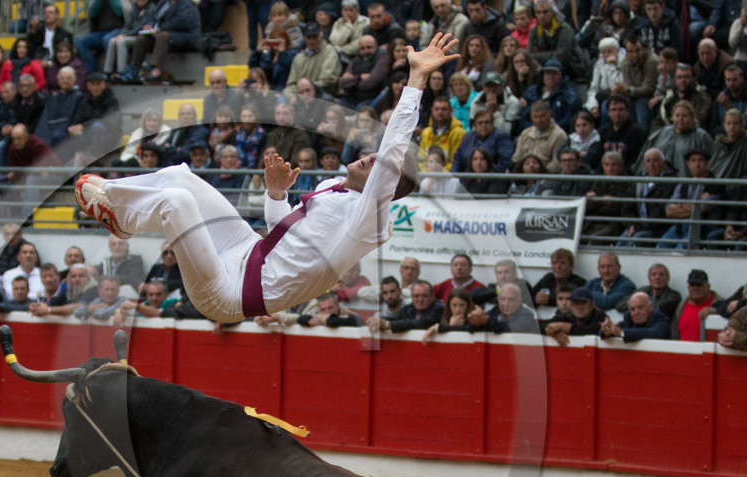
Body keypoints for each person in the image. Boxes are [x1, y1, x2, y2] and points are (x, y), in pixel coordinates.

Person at [72, 31, 460, 324]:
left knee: (177, 203)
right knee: (181, 177)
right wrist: (276, 195)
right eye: (372, 154)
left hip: (229, 294)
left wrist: (416, 81)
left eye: (378, 165)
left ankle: (123, 214)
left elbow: (393, 150)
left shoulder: (369, 220)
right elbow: (283, 237)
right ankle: (122, 217)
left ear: (388, 187)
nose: (368, 159)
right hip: (247, 250)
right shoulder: (332, 187)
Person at [367, 279, 442, 332]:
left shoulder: (439, 308)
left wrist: (387, 324)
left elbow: (422, 323)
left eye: (424, 296)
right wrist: (378, 321)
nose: (420, 300)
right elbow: (394, 319)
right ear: (411, 297)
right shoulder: (409, 308)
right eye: (416, 296)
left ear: (432, 296)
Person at [544, 286, 608, 345]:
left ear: (592, 305)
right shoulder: (568, 316)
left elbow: (590, 330)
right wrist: (556, 332)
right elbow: (540, 325)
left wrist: (562, 326)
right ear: (571, 306)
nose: (580, 306)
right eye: (576, 303)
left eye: (584, 302)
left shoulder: (600, 316)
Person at [599, 291, 672, 341]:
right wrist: (606, 330)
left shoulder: (661, 319)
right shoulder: (629, 319)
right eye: (632, 309)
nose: (636, 312)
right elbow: (616, 329)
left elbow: (653, 333)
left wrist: (621, 333)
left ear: (651, 307)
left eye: (640, 307)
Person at [672, 268, 718, 341]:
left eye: (699, 285)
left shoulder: (720, 304)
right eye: (692, 285)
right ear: (688, 287)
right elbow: (674, 333)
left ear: (708, 286)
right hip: (683, 351)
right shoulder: (681, 306)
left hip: (707, 351)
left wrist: (714, 311)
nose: (695, 288)